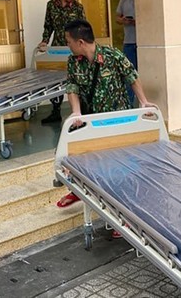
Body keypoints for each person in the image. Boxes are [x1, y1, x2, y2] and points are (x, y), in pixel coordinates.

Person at [56, 19, 156, 208]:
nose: (68, 46)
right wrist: (76, 112)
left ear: (80, 42)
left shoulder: (112, 55)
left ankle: (125, 205)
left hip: (116, 120)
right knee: (82, 157)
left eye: (69, 42)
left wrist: (143, 101)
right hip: (90, 120)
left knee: (119, 164)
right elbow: (72, 87)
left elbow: (132, 76)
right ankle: (79, 190)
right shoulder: (73, 62)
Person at [38, 0, 86, 124]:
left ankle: (81, 109)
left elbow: (83, 27)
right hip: (57, 49)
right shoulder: (51, 5)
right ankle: (55, 111)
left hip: (74, 48)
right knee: (55, 79)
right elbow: (48, 26)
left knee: (78, 77)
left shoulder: (78, 7)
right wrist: (45, 41)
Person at [115, 0, 137, 103]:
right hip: (129, 41)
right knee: (128, 73)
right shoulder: (125, 0)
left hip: (144, 43)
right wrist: (123, 20)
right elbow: (117, 18)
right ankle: (128, 103)